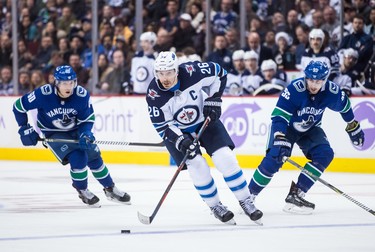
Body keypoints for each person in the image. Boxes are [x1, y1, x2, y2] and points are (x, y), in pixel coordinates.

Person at [146, 51, 263, 224]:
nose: (165, 78)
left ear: (176, 70)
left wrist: (214, 99)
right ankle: (215, 206)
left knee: (225, 158)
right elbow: (163, 125)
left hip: (205, 121)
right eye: (161, 73)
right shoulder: (154, 94)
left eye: (169, 72)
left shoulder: (193, 71)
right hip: (179, 132)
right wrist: (181, 140)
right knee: (198, 166)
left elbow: (219, 73)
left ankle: (246, 200)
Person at [247, 60, 365, 214]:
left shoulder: (332, 92)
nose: (313, 85)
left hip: (310, 128)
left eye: (318, 81)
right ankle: (248, 196)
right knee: (275, 157)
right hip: (287, 128)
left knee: (325, 154)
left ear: (325, 79)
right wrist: (279, 135)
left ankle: (296, 194)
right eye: (310, 80)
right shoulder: (295, 89)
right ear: (305, 77)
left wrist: (352, 125)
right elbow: (279, 116)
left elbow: (345, 106)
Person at [12, 65, 131, 207]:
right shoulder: (42, 94)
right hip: (53, 132)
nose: (68, 87)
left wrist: (86, 133)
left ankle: (110, 188)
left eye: (71, 82)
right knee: (78, 157)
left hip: (75, 130)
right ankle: (82, 190)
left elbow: (87, 119)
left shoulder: (81, 95)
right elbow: (18, 107)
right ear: (56, 82)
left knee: (94, 156)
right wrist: (24, 128)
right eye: (64, 83)